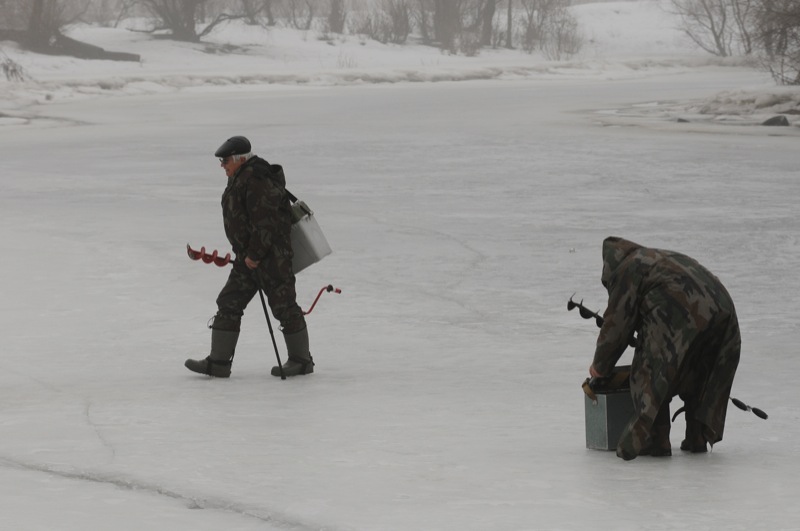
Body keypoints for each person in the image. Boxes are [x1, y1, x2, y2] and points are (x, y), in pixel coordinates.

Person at [589, 236, 740, 460]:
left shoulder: (627, 270)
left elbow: (616, 327)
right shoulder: (657, 259)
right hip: (724, 310)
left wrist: (599, 367)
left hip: (684, 310)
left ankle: (655, 439)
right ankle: (696, 436)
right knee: (699, 370)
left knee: (651, 369)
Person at [185, 136, 313, 378]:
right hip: (248, 258)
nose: (222, 165)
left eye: (225, 160)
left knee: (284, 306)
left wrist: (255, 254)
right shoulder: (241, 176)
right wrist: (248, 255)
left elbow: (267, 221)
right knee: (229, 301)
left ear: (238, 158)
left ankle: (301, 361)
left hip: (271, 258)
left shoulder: (256, 179)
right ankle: (219, 362)